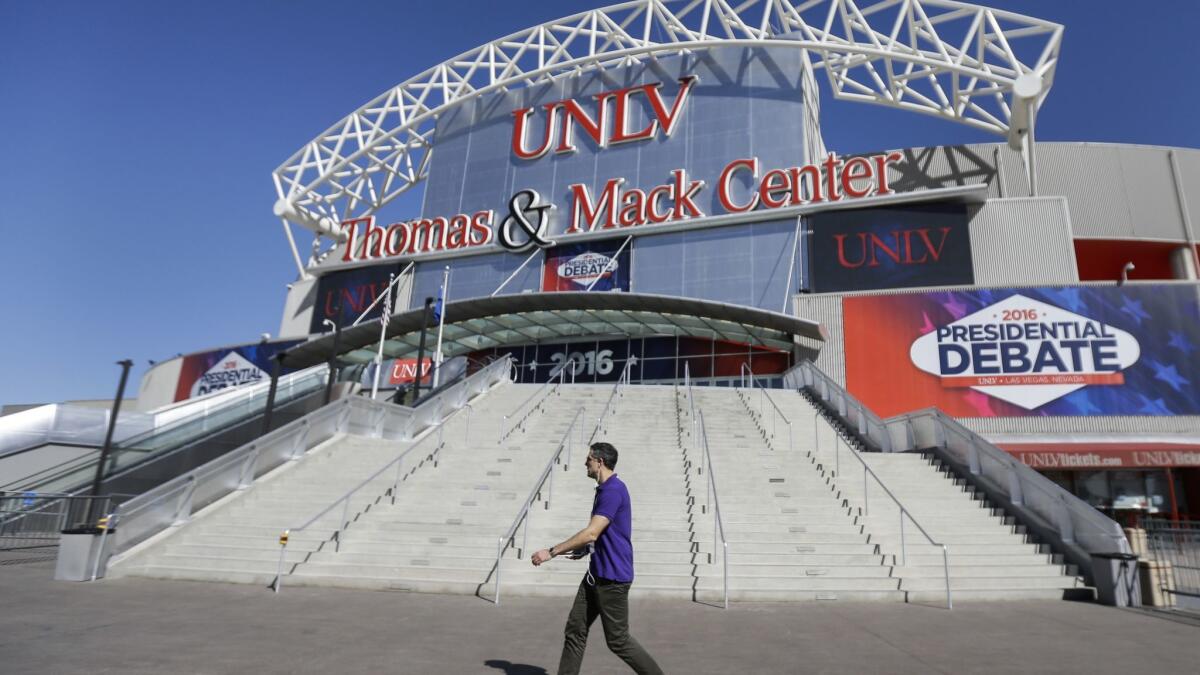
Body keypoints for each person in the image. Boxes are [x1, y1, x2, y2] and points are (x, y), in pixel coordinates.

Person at [531, 442, 663, 675]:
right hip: (595, 576)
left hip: (613, 579)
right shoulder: (605, 489)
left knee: (618, 640)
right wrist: (587, 548)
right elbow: (600, 534)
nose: (585, 463)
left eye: (588, 459)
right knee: (575, 629)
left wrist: (551, 552)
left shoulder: (613, 490)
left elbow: (592, 531)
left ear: (599, 462)